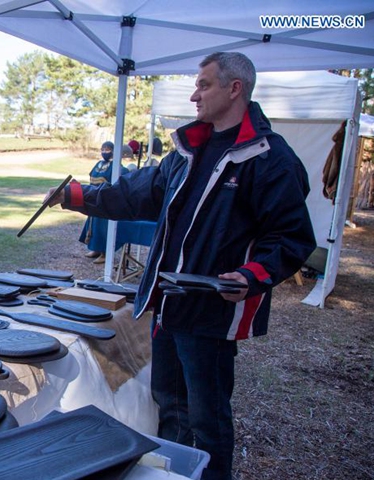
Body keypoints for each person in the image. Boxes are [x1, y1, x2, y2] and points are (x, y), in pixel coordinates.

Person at [47, 52, 315, 480]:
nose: (194, 95)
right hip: (168, 306)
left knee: (207, 420)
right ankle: (173, 474)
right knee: (168, 406)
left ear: (235, 88)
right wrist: (79, 196)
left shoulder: (270, 158)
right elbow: (137, 192)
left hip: (211, 312)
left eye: (204, 85)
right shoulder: (189, 149)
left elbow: (291, 236)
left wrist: (253, 276)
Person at [80, 141, 129, 263]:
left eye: (107, 149)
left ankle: (105, 253)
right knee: (93, 225)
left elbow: (119, 179)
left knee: (103, 227)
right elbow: (92, 176)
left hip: (105, 199)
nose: (104, 151)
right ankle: (95, 248)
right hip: (94, 197)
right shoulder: (99, 164)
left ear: (113, 151)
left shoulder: (116, 166)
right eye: (103, 149)